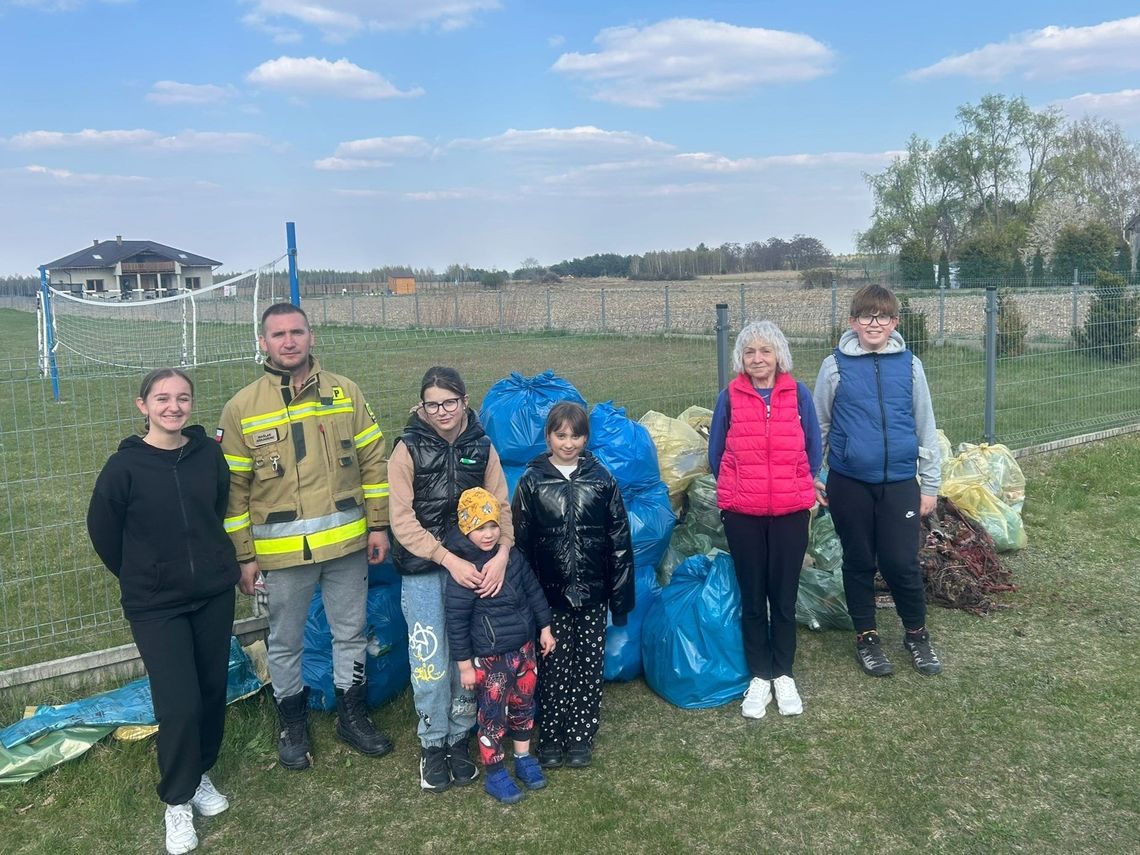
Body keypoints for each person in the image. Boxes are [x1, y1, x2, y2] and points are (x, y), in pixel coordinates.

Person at [218, 303, 393, 772]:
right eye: (278, 334)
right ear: (263, 343)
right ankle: (292, 725)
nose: (289, 341)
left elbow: (374, 462)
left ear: (312, 336)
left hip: (347, 546)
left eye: (297, 332)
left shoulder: (345, 392)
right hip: (281, 556)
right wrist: (244, 557)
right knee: (285, 641)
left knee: (350, 634)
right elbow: (233, 492)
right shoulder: (241, 408)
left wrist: (378, 525)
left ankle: (352, 717)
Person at [87, 368, 239, 855]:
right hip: (156, 604)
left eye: (183, 398)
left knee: (211, 692)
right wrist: (143, 573)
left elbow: (216, 508)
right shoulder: (123, 468)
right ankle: (176, 799)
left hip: (213, 594)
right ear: (143, 405)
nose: (173, 407)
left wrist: (210, 565)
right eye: (162, 398)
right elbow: (104, 533)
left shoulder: (208, 455)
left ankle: (200, 774)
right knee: (179, 704)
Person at [388, 366, 514, 793]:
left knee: (468, 654)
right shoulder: (406, 449)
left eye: (450, 402)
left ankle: (460, 736)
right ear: (421, 405)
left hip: (473, 569)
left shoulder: (482, 447)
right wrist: (446, 558)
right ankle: (432, 742)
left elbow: (501, 505)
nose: (442, 411)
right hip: (424, 569)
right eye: (433, 404)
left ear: (464, 401)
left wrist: (502, 553)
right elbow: (402, 520)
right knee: (430, 658)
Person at [813, 283, 943, 677]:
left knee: (901, 562)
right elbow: (819, 426)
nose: (874, 323)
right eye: (866, 316)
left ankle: (916, 635)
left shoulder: (911, 365)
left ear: (895, 322)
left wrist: (930, 484)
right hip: (849, 482)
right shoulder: (834, 366)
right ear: (853, 322)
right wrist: (812, 475)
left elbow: (925, 426)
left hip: (900, 481)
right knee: (858, 561)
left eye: (883, 316)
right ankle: (867, 638)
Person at [708, 320, 823, 719]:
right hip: (743, 514)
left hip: (791, 512)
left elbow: (813, 448)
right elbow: (716, 453)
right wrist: (736, 488)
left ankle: (783, 673)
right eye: (750, 352)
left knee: (784, 597)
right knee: (753, 597)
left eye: (765, 351)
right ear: (741, 358)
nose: (758, 359)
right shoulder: (729, 397)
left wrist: (797, 482)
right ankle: (760, 674)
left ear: (779, 356)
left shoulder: (798, 394)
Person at [512, 401, 634, 769]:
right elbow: (521, 544)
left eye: (576, 436)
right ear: (548, 436)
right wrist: (524, 602)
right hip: (550, 600)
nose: (568, 443)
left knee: (588, 668)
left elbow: (619, 542)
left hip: (593, 596)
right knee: (553, 669)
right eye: (561, 435)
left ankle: (581, 736)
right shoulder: (532, 482)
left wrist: (620, 600)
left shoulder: (602, 480)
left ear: (586, 438)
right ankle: (551, 736)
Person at [444, 487, 557, 804]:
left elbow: (534, 592)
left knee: (524, 705)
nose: (489, 534)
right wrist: (464, 666)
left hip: (524, 651)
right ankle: (495, 772)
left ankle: (523, 757)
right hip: (491, 659)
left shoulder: (512, 557)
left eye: (493, 525)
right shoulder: (465, 570)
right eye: (480, 527)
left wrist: (545, 628)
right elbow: (456, 619)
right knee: (492, 715)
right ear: (466, 528)